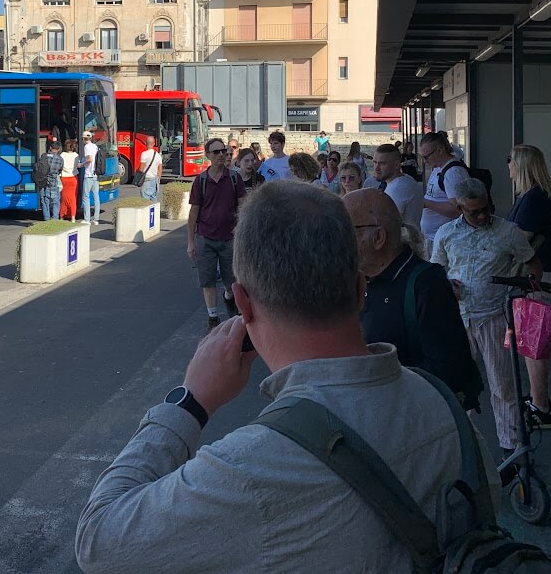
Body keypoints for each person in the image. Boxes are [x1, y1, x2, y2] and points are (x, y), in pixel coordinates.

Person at [76, 182, 496, 572]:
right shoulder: (444, 407)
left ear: (242, 302)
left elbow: (98, 540)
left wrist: (190, 403)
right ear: (360, 290)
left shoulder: (252, 467)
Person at [431, 177, 542, 470]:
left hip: (494, 316)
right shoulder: (446, 233)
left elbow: (532, 264)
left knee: (502, 385)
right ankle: (460, 446)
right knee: (457, 385)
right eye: (474, 212)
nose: (482, 216)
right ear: (460, 208)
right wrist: (446, 285)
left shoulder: (508, 231)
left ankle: (511, 448)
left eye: (485, 209)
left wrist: (526, 289)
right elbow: (437, 270)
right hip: (458, 318)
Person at [345, 189, 482, 409]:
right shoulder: (357, 280)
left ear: (378, 237)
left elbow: (448, 370)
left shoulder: (427, 283)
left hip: (416, 418)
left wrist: (372, 378)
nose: (337, 240)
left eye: (345, 230)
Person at [505, 144, 551, 428]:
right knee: (529, 341)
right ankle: (540, 400)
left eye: (510, 160)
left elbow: (521, 238)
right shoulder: (531, 196)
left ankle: (541, 407)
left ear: (522, 165)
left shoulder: (534, 198)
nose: (508, 165)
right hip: (536, 275)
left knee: (532, 342)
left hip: (534, 276)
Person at [187, 138, 245, 328]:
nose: (221, 155)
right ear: (208, 155)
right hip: (205, 237)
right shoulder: (201, 180)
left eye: (223, 151)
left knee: (232, 282)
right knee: (207, 280)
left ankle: (228, 297)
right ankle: (213, 317)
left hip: (230, 238)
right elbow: (194, 212)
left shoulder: (234, 178)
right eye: (216, 152)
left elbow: (242, 207)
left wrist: (243, 235)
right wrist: (191, 242)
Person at [419, 131, 470, 241]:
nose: (424, 161)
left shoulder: (453, 172)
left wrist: (426, 203)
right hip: (435, 237)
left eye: (426, 157)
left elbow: (457, 210)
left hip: (446, 239)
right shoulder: (438, 168)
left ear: (440, 150)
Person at [371, 143, 423, 229]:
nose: (376, 168)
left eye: (382, 164)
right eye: (375, 162)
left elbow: (387, 225)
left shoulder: (397, 189)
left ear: (396, 165)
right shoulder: (405, 180)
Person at [80, 130, 101, 225]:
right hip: (96, 174)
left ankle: (87, 219)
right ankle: (96, 219)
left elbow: (90, 159)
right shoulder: (95, 146)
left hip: (88, 174)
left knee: (86, 197)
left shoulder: (87, 147)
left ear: (83, 139)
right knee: (96, 196)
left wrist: (82, 164)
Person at [39, 138, 64, 221]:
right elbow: (60, 170)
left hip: (43, 181)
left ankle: (47, 218)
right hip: (53, 182)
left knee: (44, 200)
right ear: (59, 149)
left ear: (50, 147)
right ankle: (55, 218)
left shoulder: (44, 156)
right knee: (56, 200)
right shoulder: (60, 159)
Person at [59, 139, 79, 221]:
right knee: (73, 198)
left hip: (64, 178)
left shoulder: (62, 155)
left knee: (63, 198)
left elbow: (60, 166)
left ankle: (62, 216)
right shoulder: (76, 155)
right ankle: (73, 216)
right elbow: (77, 166)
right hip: (73, 178)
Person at [137, 137, 162, 203]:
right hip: (155, 179)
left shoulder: (144, 154)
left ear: (145, 143)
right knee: (153, 197)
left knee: (145, 197)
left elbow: (141, 169)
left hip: (147, 179)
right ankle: (155, 209)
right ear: (154, 143)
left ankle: (147, 209)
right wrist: (158, 180)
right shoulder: (158, 155)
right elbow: (160, 170)